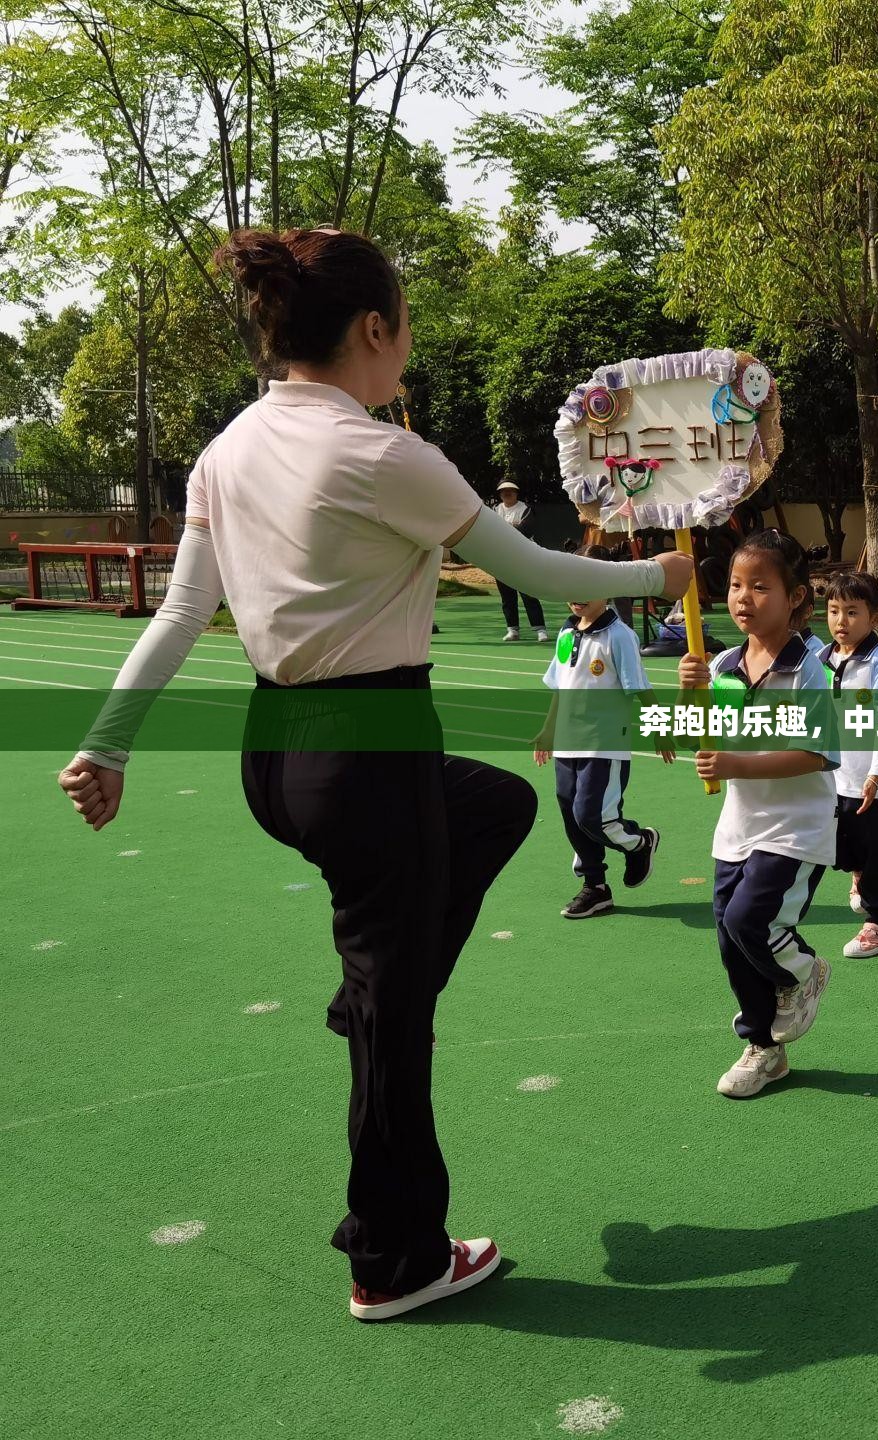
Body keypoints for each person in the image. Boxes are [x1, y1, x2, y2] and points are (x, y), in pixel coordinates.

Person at [57, 226, 691, 1321]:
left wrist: (106, 742)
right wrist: (659, 570)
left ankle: (367, 1005)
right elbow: (529, 565)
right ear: (370, 328)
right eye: (404, 328)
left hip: (280, 757)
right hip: (368, 755)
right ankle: (394, 1259)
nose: (408, 349)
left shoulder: (231, 448)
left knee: (494, 805)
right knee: (399, 1029)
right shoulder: (382, 453)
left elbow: (180, 612)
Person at [678, 531, 838, 1099]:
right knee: (729, 938)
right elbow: (709, 736)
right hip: (738, 828)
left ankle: (803, 971)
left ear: (795, 597)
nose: (743, 598)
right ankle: (764, 1048)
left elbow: (816, 753)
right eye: (735, 586)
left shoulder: (809, 669)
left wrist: (735, 763)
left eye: (761, 587)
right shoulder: (723, 662)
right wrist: (690, 698)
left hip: (796, 830)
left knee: (752, 922)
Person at [532, 551, 667, 920]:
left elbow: (640, 687)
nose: (577, 594)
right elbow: (560, 686)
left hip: (604, 745)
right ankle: (596, 887)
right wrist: (547, 731)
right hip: (566, 744)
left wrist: (660, 729)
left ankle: (639, 842)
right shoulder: (565, 632)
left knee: (592, 816)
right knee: (571, 816)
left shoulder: (619, 636)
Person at [823, 570, 878, 960]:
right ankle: (860, 877)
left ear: (875, 619)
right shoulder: (822, 658)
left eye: (852, 613)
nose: (842, 622)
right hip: (836, 777)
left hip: (876, 780)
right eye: (834, 611)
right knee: (846, 846)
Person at [492, 482, 549, 643]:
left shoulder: (526, 509)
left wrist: (504, 529)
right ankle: (512, 630)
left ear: (516, 493)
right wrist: (509, 528)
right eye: (503, 492)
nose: (507, 494)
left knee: (529, 593)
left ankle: (540, 629)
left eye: (510, 491)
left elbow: (525, 530)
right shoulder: (495, 510)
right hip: (501, 557)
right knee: (507, 596)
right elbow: (491, 530)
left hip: (523, 556)